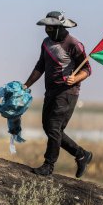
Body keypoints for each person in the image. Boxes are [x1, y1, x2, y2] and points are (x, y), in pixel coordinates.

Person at [24, 11, 92, 178]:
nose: (46, 30)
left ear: (59, 28)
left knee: (54, 127)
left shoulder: (74, 44)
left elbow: (87, 69)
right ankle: (82, 154)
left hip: (67, 92)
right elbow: (40, 66)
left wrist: (75, 77)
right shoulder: (46, 43)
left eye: (50, 27)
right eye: (46, 27)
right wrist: (26, 85)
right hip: (51, 91)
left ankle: (48, 165)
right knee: (49, 128)